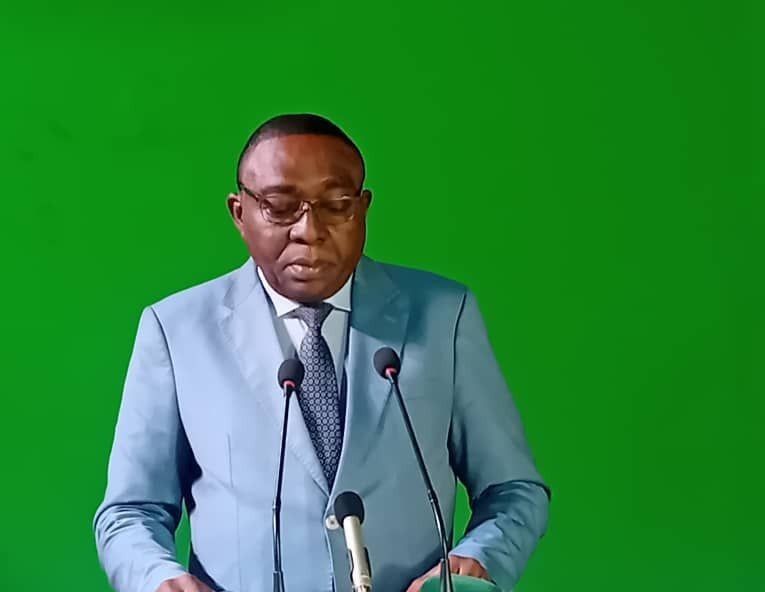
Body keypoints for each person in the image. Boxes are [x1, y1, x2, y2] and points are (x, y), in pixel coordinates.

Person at [93, 113, 550, 592]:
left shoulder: (443, 315)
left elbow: (514, 489)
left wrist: (479, 558)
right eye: (279, 207)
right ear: (239, 212)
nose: (309, 230)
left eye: (336, 205)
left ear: (363, 208)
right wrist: (159, 579)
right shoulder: (177, 330)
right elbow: (129, 511)